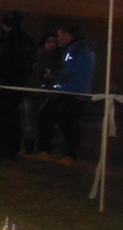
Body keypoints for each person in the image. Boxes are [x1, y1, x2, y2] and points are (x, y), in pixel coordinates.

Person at [36, 23, 95, 165]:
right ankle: (65, 154)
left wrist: (55, 81)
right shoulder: (87, 50)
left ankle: (58, 154)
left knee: (55, 119)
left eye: (59, 35)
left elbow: (69, 69)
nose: (58, 39)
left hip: (68, 92)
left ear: (67, 34)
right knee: (67, 122)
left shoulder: (74, 50)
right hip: (79, 91)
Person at [0, 10, 35, 161]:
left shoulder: (8, 40)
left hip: (3, 86)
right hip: (18, 86)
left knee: (0, 119)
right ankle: (11, 150)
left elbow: (0, 64)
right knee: (13, 118)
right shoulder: (27, 41)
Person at [22, 33, 59, 155]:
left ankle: (43, 148)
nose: (52, 44)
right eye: (49, 41)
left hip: (46, 94)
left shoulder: (58, 59)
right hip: (32, 92)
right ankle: (29, 147)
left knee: (44, 121)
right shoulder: (35, 55)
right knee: (30, 121)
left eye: (54, 42)